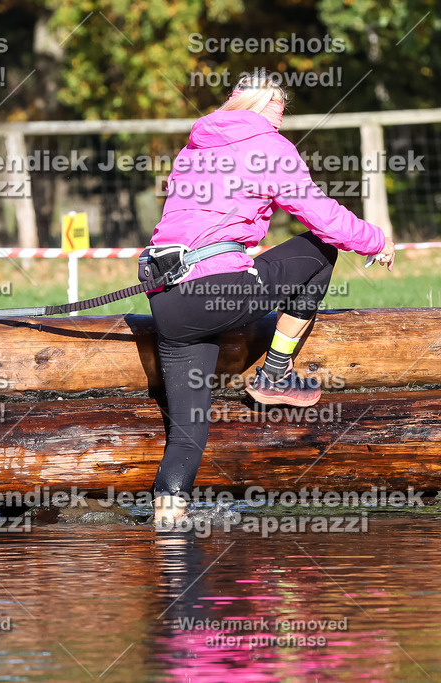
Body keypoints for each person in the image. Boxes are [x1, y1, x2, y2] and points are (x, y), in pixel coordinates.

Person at [146, 71, 396, 527]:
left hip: (167, 300)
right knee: (321, 249)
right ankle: (275, 374)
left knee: (186, 433)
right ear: (268, 103)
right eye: (281, 109)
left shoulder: (194, 148)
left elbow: (200, 220)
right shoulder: (268, 145)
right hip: (214, 290)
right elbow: (322, 216)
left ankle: (168, 517)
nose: (282, 122)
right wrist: (376, 241)